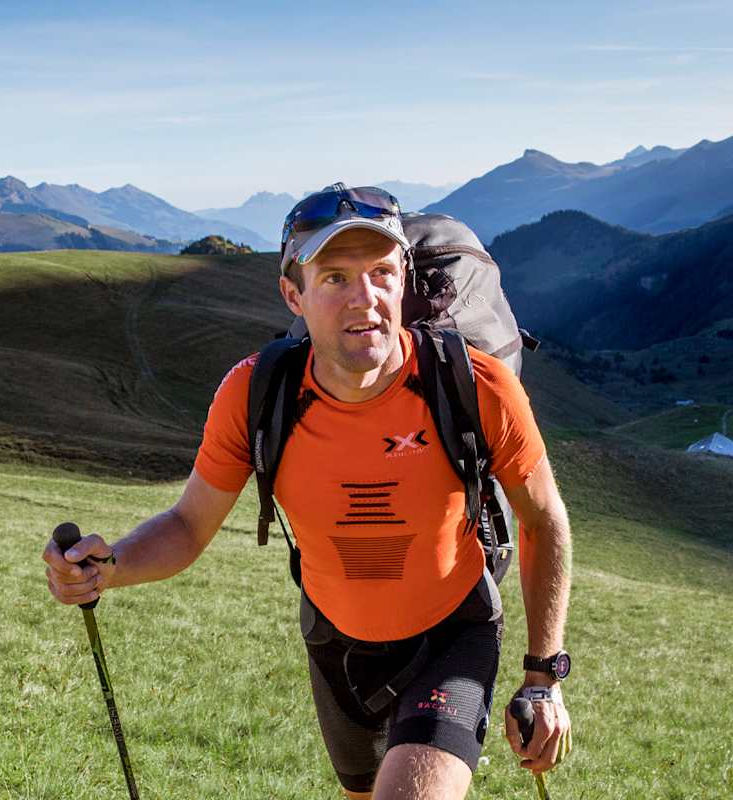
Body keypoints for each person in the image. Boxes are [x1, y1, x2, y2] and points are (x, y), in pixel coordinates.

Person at [42, 185, 573, 799]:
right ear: (293, 293)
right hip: (334, 645)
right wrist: (110, 568)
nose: (365, 300)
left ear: (404, 277)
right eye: (335, 278)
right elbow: (190, 525)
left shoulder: (477, 386)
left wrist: (543, 678)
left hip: (451, 637)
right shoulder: (257, 394)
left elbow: (543, 521)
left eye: (380, 272)